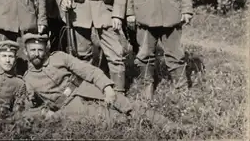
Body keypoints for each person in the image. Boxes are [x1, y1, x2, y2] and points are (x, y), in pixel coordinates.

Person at [22, 34, 183, 131]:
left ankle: (170, 125)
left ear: (46, 49)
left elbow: (89, 70)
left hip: (86, 88)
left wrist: (107, 87)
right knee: (110, 119)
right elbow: (28, 108)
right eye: (33, 50)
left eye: (40, 49)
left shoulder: (59, 57)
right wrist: (44, 113)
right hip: (70, 107)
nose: (37, 53)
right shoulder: (28, 79)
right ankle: (142, 130)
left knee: (126, 104)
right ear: (26, 53)